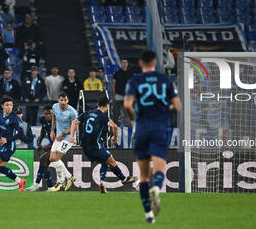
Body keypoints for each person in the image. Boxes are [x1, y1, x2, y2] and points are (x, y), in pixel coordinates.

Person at [124, 50, 181, 223]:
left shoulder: (134, 80)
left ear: (141, 64)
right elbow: (177, 106)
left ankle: (148, 214)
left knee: (143, 175)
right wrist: (165, 110)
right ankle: (156, 188)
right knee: (158, 169)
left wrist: (134, 118)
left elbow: (127, 105)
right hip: (160, 127)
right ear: (155, 63)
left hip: (142, 128)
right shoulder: (165, 80)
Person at [69, 91, 138, 194]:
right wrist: (114, 137)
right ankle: (123, 179)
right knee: (111, 161)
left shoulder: (88, 113)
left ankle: (102, 182)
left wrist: (71, 136)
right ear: (107, 106)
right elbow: (114, 126)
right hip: (95, 146)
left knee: (105, 162)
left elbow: (74, 122)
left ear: (97, 105)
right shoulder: (102, 116)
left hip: (85, 146)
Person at [0, 96, 26, 192]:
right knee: (0, 168)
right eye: (7, 105)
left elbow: (21, 133)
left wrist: (7, 140)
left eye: (11, 105)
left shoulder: (15, 118)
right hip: (4, 146)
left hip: (9, 146)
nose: (9, 107)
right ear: (2, 106)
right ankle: (19, 181)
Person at [49, 92, 77, 192]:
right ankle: (67, 178)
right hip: (58, 136)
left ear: (67, 101)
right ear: (58, 100)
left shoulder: (72, 112)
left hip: (69, 138)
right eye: (61, 100)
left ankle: (62, 181)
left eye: (65, 100)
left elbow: (74, 127)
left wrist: (63, 134)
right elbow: (54, 117)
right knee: (52, 158)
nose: (63, 102)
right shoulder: (55, 107)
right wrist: (52, 130)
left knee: (56, 158)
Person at [26, 105, 54, 191]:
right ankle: (50, 187)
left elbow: (62, 138)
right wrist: (39, 143)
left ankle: (36, 185)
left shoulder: (56, 122)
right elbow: (43, 130)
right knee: (44, 164)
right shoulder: (43, 120)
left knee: (43, 159)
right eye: (46, 114)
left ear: (53, 114)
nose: (47, 116)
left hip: (60, 146)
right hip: (54, 145)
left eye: (49, 114)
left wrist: (49, 146)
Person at [112, 58, 134, 126]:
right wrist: (114, 95)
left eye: (125, 62)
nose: (124, 64)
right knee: (116, 115)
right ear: (121, 64)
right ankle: (117, 130)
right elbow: (113, 85)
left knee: (128, 115)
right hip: (118, 96)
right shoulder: (117, 73)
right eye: (123, 62)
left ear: (127, 64)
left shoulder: (130, 73)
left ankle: (127, 131)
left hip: (127, 96)